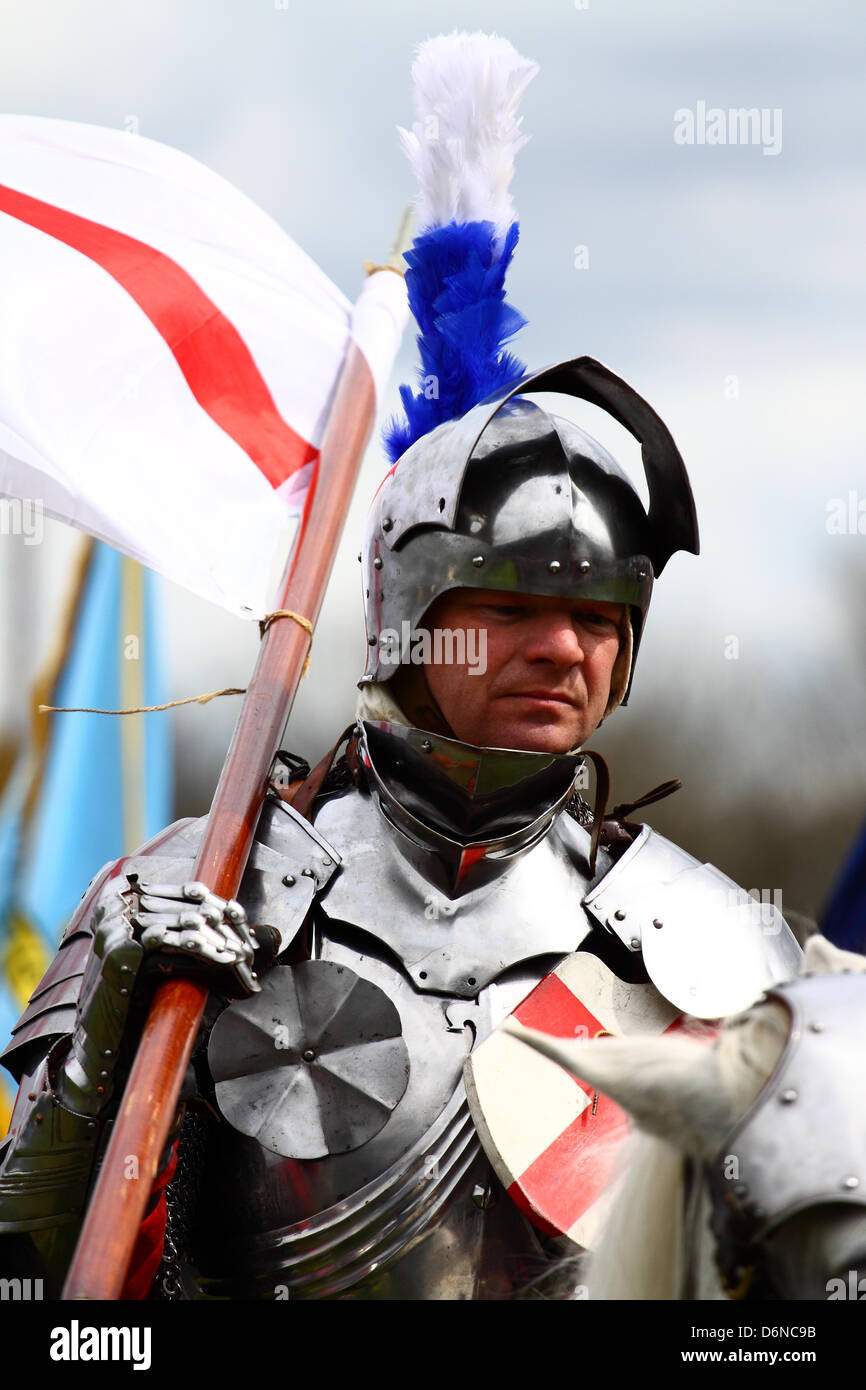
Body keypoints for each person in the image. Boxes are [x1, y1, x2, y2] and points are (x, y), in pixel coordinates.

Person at [0, 354, 802, 1300]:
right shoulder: (210, 884)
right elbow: (30, 1268)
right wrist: (108, 1026)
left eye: (594, 616)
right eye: (512, 606)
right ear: (411, 626)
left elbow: (785, 1292)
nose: (559, 647)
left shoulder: (708, 941)